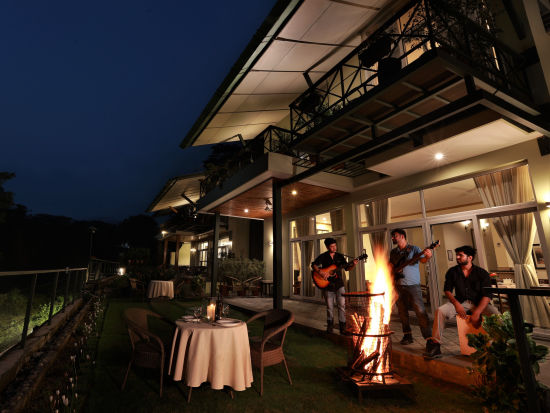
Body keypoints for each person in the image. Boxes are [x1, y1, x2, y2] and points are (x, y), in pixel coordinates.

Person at [424, 245, 499, 359]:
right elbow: (447, 290)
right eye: (457, 255)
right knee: (440, 311)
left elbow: (487, 295)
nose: (457, 257)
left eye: (460, 255)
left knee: (496, 314)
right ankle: (435, 345)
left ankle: (499, 347)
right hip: (460, 302)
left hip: (479, 303)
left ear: (470, 257)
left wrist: (477, 312)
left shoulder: (482, 273)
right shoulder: (452, 271)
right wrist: (456, 304)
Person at [389, 228, 433, 348]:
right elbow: (391, 265)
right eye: (392, 236)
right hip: (398, 285)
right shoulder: (393, 252)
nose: (393, 238)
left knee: (420, 311)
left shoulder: (414, 249)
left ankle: (429, 338)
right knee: (402, 312)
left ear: (402, 236)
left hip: (413, 285)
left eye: (395, 236)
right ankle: (407, 335)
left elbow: (423, 260)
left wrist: (428, 256)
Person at [312, 238, 358, 334]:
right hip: (328, 285)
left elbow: (347, 268)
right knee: (329, 307)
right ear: (327, 247)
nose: (334, 248)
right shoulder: (323, 256)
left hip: (339, 284)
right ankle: (330, 326)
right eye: (332, 246)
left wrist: (353, 264)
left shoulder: (340, 256)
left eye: (335, 246)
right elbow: (314, 265)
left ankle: (343, 327)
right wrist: (320, 272)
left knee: (342, 306)